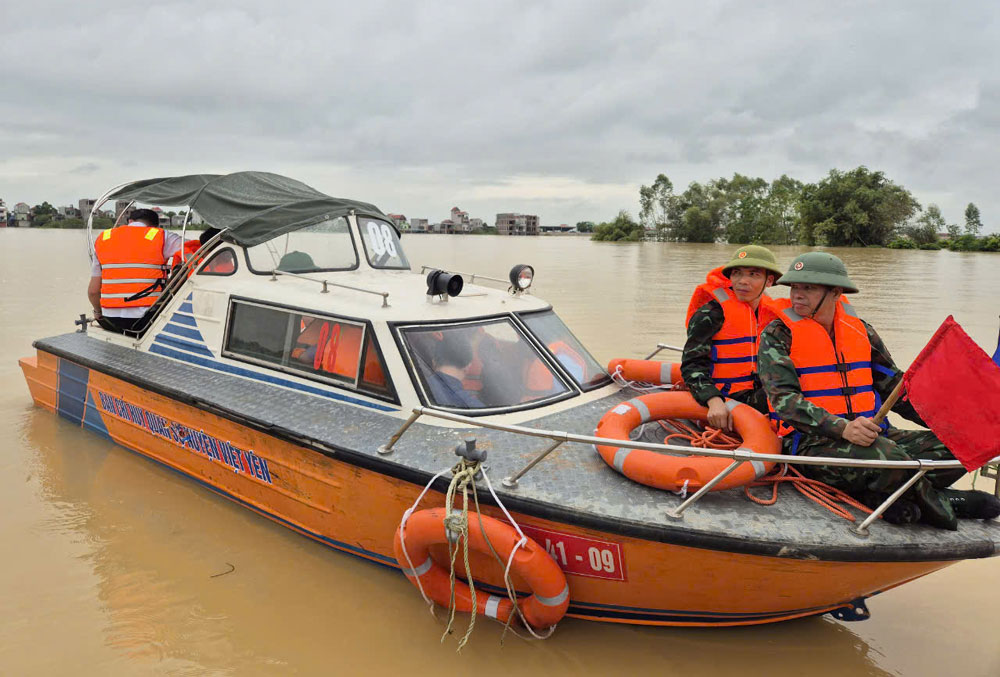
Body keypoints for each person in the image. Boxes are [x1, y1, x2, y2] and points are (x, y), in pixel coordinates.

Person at [758, 252, 1000, 530]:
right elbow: (785, 402)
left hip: (874, 433)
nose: (797, 295)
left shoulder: (861, 331)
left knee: (963, 444)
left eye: (808, 288)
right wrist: (842, 428)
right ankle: (946, 505)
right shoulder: (777, 334)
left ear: (836, 292)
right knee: (891, 458)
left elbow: (896, 389)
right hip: (811, 444)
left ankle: (877, 493)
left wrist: (951, 422)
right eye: (795, 288)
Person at [681, 245, 788, 430]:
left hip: (762, 392)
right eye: (737, 273)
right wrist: (713, 400)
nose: (742, 281)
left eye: (753, 274)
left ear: (769, 281)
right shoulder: (711, 314)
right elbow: (692, 365)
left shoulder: (773, 315)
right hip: (728, 396)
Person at [88, 208, 182, 333]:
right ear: (155, 226)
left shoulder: (104, 238)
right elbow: (197, 249)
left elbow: (93, 291)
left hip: (110, 317)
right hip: (147, 317)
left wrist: (98, 312)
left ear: (130, 221)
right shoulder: (162, 236)